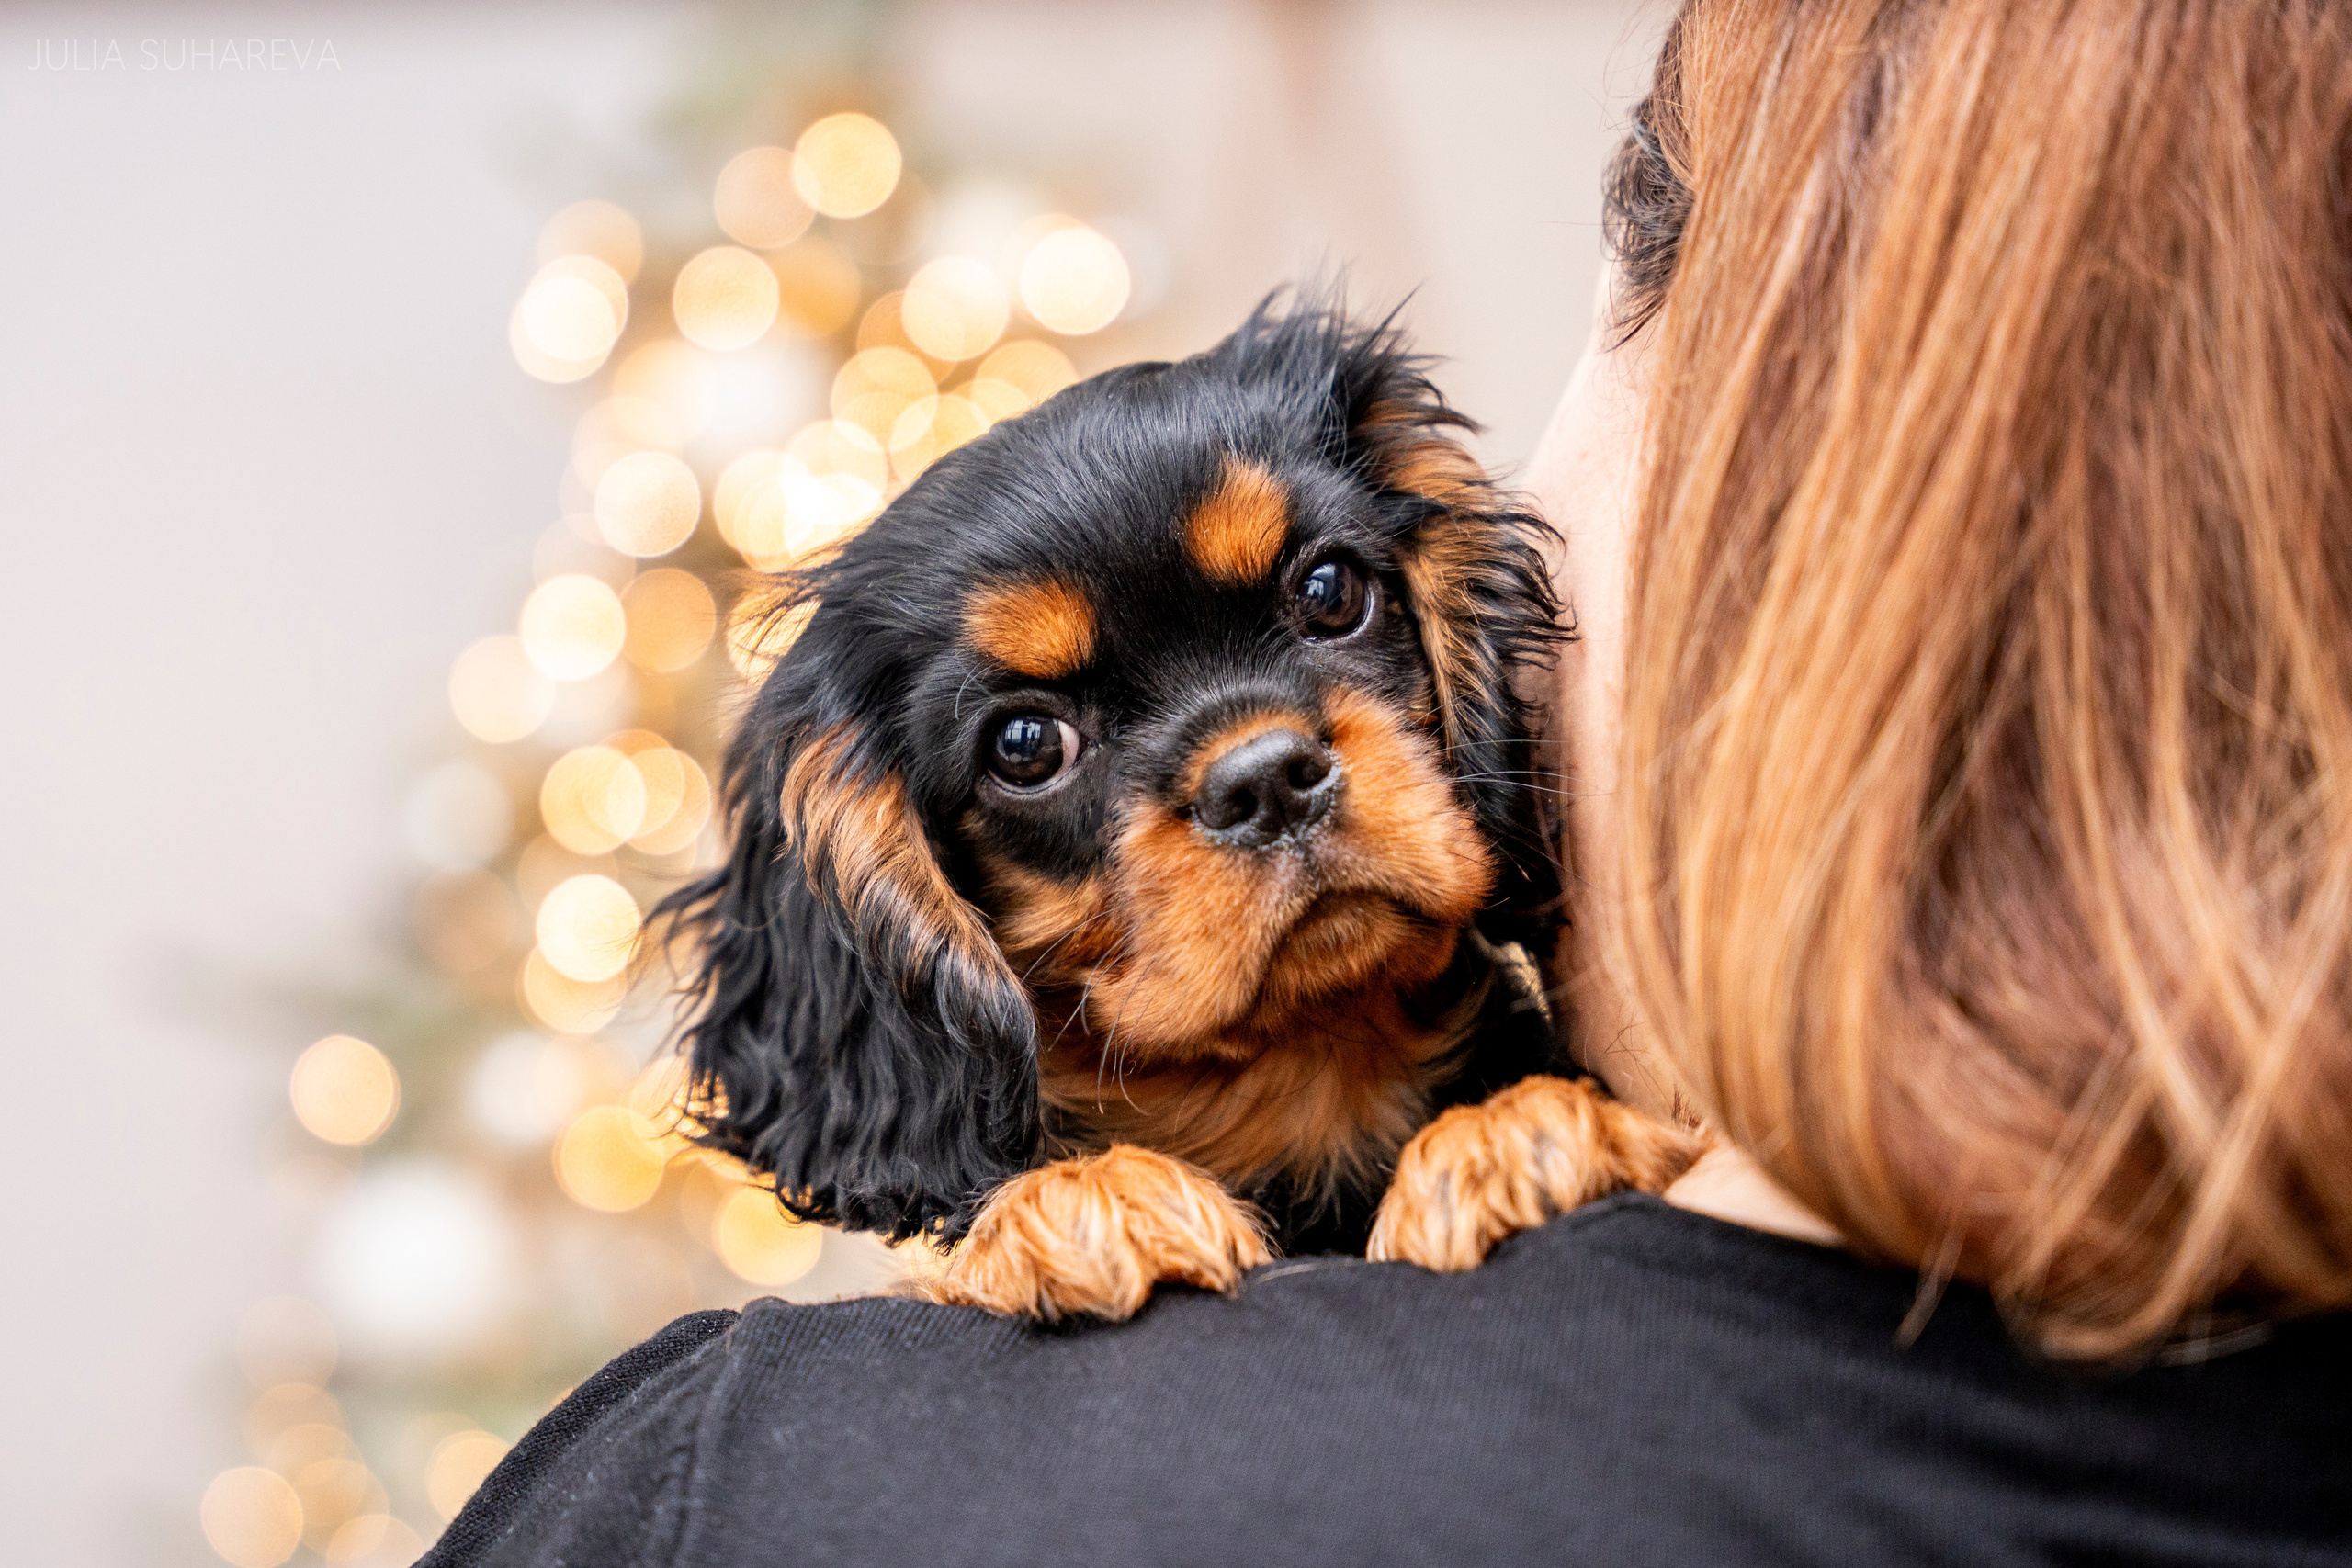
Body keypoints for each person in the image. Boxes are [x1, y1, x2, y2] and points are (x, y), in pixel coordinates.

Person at [422, 3, 2352, 1562]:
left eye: (1322, 602)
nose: (1257, 753)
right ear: (902, 880)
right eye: (1031, 743)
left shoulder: (749, 1490)